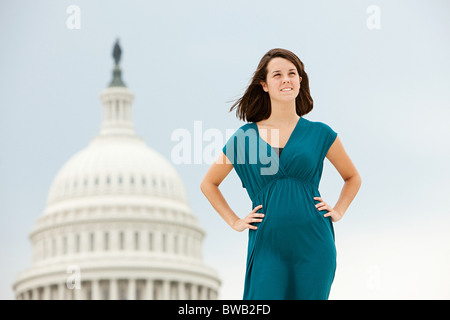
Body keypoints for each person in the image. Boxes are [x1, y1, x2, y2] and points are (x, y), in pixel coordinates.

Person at [200, 48, 361, 300]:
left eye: (292, 73)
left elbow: (352, 177)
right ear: (264, 85)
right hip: (267, 245)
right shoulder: (246, 138)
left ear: (300, 81)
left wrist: (338, 210)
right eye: (277, 74)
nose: (286, 79)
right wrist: (235, 222)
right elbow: (209, 183)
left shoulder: (321, 133)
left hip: (314, 244)